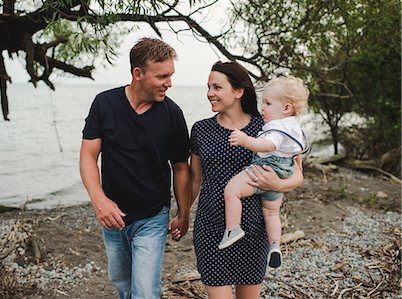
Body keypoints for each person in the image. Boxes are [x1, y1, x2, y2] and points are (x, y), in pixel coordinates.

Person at [79, 37, 191, 299]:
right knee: (121, 282)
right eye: (162, 76)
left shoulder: (172, 114)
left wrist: (184, 213)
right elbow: (87, 156)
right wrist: (99, 201)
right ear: (138, 74)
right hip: (112, 217)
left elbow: (181, 168)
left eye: (171, 75)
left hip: (152, 216)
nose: (169, 83)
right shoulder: (104, 104)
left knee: (145, 291)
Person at [190, 61, 304, 299]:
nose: (210, 93)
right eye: (208, 87)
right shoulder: (201, 130)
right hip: (211, 229)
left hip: (254, 230)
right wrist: (181, 215)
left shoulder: (267, 128)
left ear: (238, 91)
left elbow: (297, 174)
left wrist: (277, 185)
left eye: (217, 87)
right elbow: (194, 179)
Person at [218, 76, 309, 270]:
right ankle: (275, 245)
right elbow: (297, 158)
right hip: (283, 170)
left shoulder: (279, 126)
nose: (262, 108)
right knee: (271, 212)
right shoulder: (294, 128)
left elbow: (268, 145)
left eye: (267, 103)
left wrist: (244, 140)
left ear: (286, 108)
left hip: (266, 168)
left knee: (232, 190)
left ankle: (233, 228)